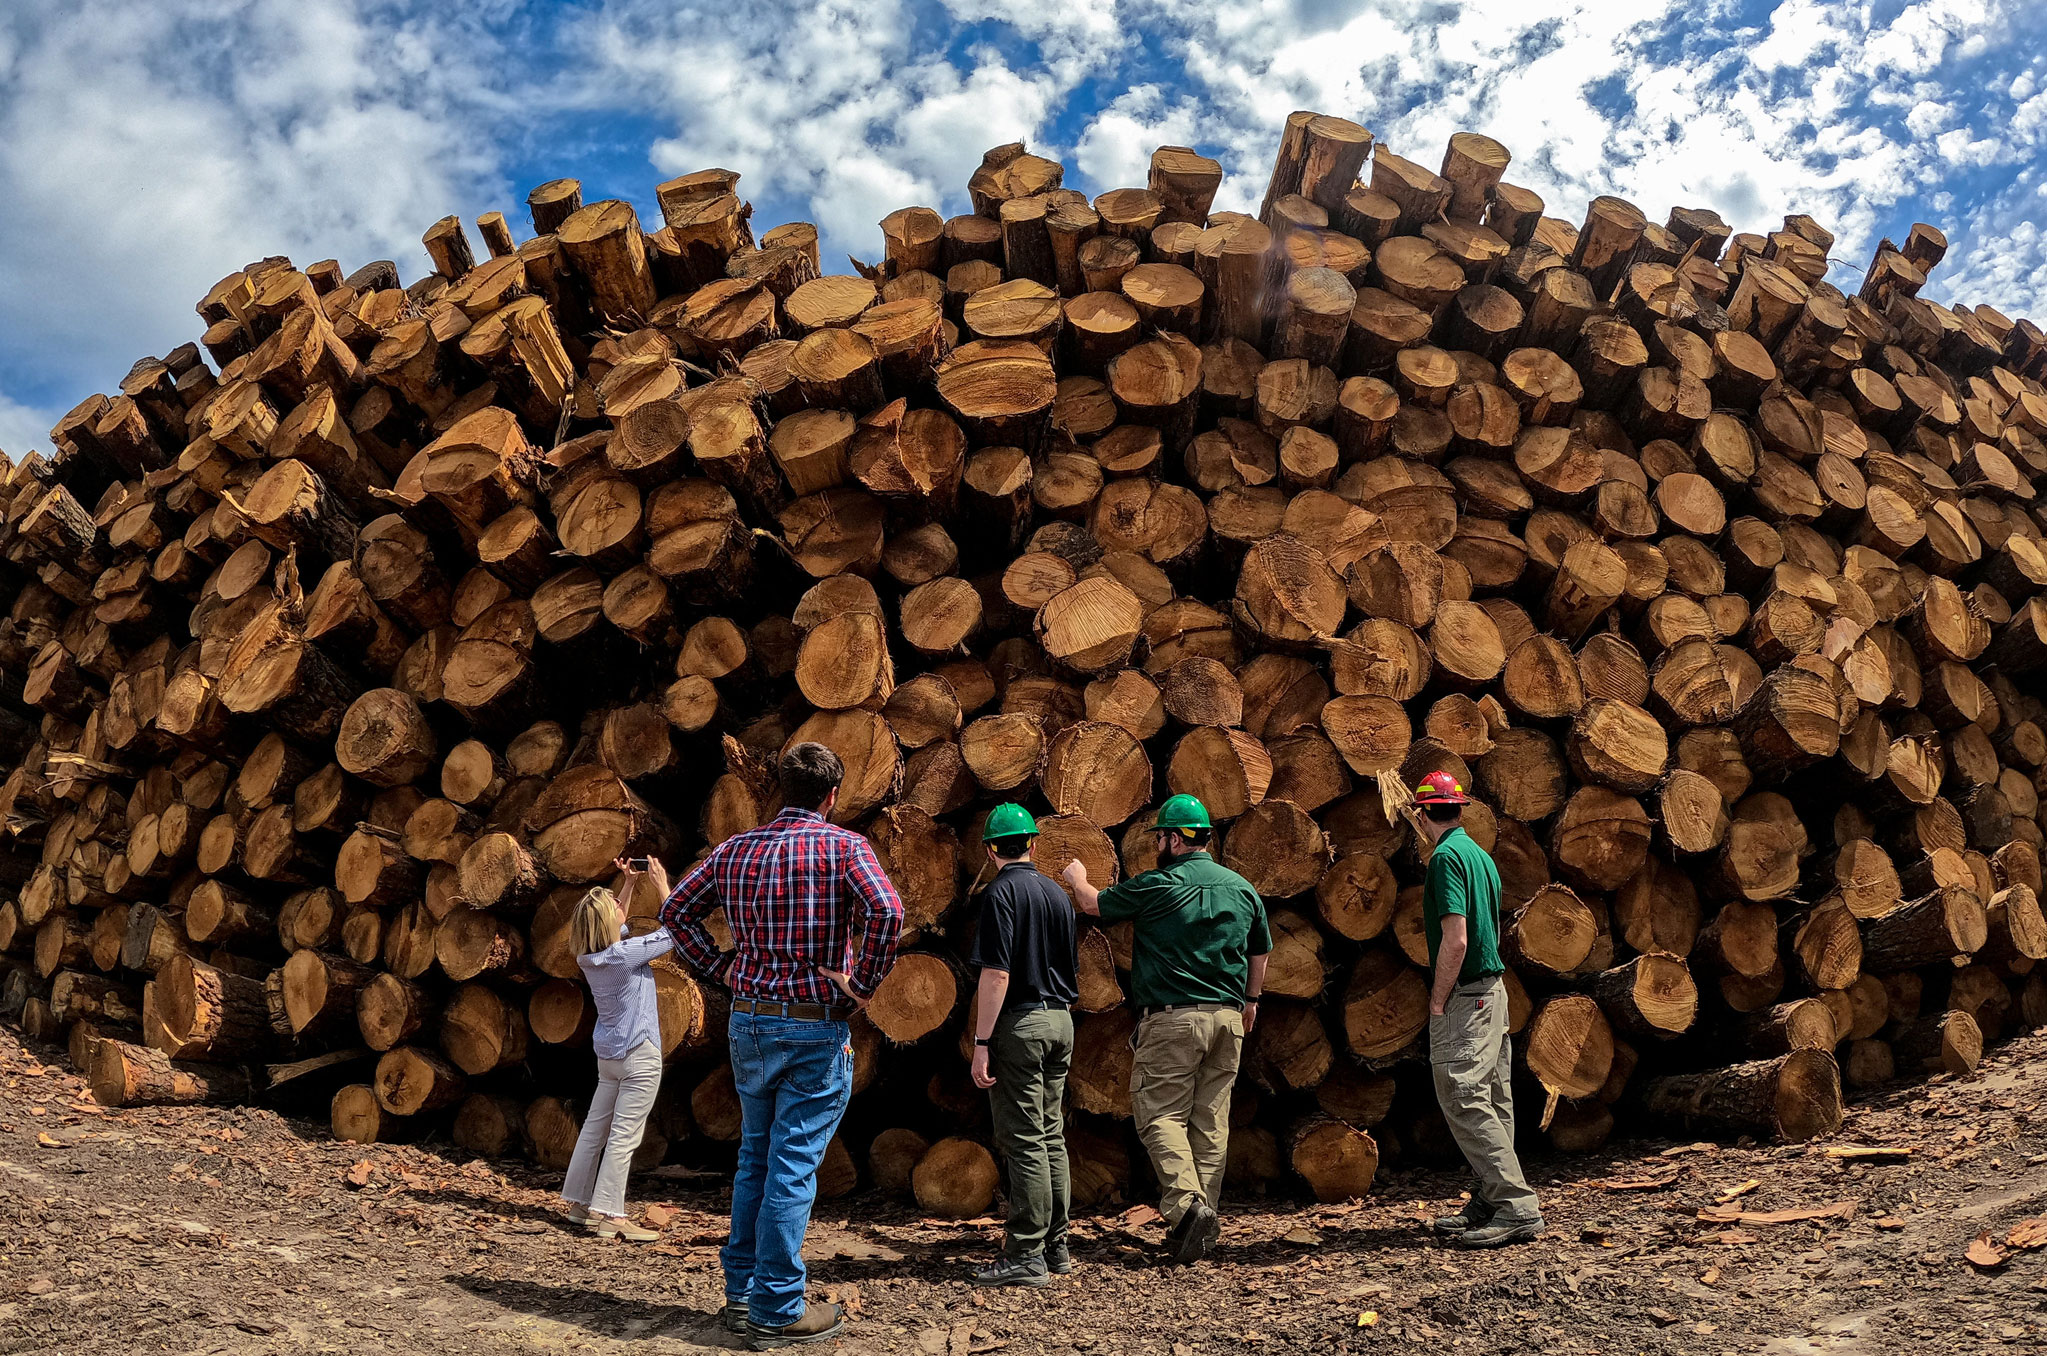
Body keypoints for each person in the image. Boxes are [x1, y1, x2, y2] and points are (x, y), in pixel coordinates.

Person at [655, 742, 904, 1350]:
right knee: (792, 1166)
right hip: (815, 1023)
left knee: (756, 1160)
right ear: (833, 795)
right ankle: (776, 1307)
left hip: (749, 1021)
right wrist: (862, 987)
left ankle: (741, 1294)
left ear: (777, 791)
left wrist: (718, 968)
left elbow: (674, 912)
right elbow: (888, 913)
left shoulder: (734, 851)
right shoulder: (845, 848)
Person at [1061, 794, 1268, 1266]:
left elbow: (1094, 905)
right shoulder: (1241, 888)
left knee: (1159, 1116)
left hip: (1174, 1020)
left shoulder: (1159, 884)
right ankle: (1201, 1228)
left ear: (1176, 839)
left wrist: (1077, 878)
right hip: (1229, 1019)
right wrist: (1251, 1001)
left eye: (1161, 837)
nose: (1159, 843)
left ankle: (1187, 1207)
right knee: (1211, 1123)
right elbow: (1260, 950)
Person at [1411, 771, 1544, 1248]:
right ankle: (1491, 1198)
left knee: (1463, 1094)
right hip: (1494, 990)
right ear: (1460, 809)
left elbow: (1457, 937)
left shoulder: (1446, 858)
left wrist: (1438, 997)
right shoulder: (1479, 856)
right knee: (1492, 1095)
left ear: (1422, 813)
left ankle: (1514, 1206)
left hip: (1467, 993)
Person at [966, 803, 1078, 1288]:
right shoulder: (1057, 894)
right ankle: (1057, 1245)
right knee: (1051, 1134)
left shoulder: (999, 895)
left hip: (1022, 1026)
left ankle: (1025, 1253)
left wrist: (982, 1041)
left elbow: (996, 974)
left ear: (991, 849)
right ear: (1033, 843)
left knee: (1025, 1141)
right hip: (1061, 1023)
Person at [560, 873, 674, 1241]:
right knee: (625, 1136)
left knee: (595, 1129)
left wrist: (626, 885)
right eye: (615, 908)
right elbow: (675, 931)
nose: (620, 908)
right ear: (609, 922)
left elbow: (617, 928)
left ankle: (579, 1204)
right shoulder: (625, 956)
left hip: (608, 1056)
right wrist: (660, 886)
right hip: (639, 1053)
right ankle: (611, 1213)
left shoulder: (589, 957)